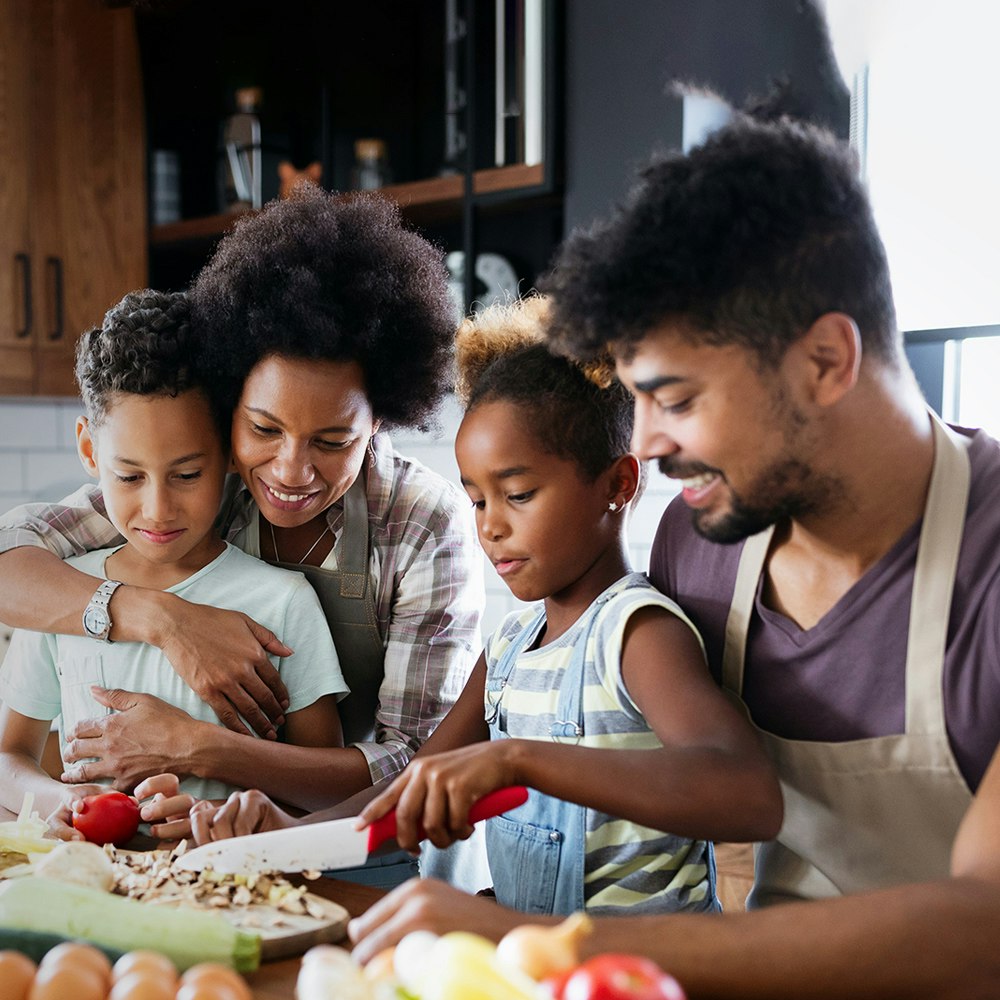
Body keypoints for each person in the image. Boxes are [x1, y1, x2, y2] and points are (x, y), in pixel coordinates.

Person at [346, 114, 1000, 997]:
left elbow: (982, 925)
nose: (646, 446)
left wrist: (542, 944)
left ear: (826, 360)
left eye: (677, 398)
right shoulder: (701, 541)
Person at [178, 298, 780, 915]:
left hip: (640, 973)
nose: (490, 527)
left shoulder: (635, 633)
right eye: (477, 500)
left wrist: (517, 759)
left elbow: (747, 794)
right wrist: (286, 833)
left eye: (518, 494)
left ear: (618, 485)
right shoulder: (511, 650)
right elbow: (405, 790)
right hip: (535, 969)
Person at [0, 189, 483, 885]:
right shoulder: (190, 485)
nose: (291, 471)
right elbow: (14, 554)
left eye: (332, 440)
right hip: (218, 861)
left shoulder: (421, 523)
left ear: (379, 419)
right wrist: (165, 620)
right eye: (264, 429)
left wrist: (202, 749)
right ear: (230, 417)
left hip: (379, 854)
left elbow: (412, 767)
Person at [0, 289, 347, 839]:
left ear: (232, 452)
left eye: (187, 475)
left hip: (232, 889)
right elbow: (10, 756)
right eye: (129, 476)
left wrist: (228, 819)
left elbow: (327, 791)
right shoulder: (65, 593)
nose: (158, 510)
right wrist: (57, 800)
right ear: (90, 451)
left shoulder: (281, 602)